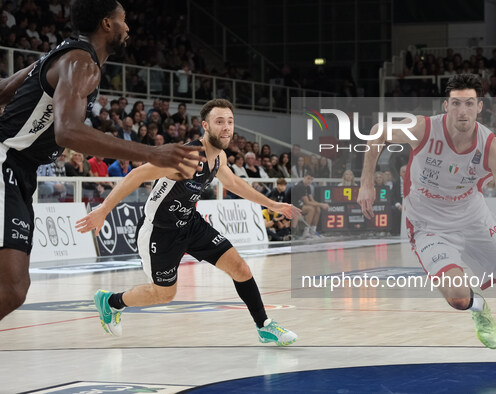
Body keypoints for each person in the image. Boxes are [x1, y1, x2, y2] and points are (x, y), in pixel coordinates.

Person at [0, 0, 202, 322]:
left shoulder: (63, 56)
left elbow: (5, 89)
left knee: (15, 287)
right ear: (107, 24)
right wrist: (152, 153)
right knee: (12, 288)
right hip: (6, 161)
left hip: (20, 169)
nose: (128, 28)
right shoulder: (81, 63)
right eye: (123, 20)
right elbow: (67, 131)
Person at [357, 74, 496, 367]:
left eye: (469, 103)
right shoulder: (423, 129)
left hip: (473, 218)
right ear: (446, 106)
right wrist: (366, 182)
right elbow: (377, 131)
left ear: (479, 107)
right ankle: (478, 306)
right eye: (456, 103)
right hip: (427, 224)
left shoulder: (492, 147)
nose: (462, 111)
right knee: (458, 296)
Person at [76, 99, 298, 346]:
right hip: (160, 232)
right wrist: (104, 209)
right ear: (205, 125)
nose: (226, 127)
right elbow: (137, 175)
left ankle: (264, 327)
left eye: (230, 122)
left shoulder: (219, 158)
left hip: (190, 223)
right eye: (219, 122)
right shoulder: (187, 157)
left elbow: (234, 184)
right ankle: (110, 302)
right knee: (164, 294)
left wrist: (273, 204)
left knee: (241, 269)